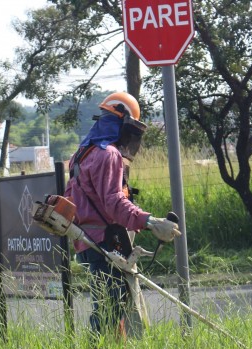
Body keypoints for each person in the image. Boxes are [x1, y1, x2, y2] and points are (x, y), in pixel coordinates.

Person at [65, 92, 180, 334]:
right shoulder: (109, 154)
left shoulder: (81, 153)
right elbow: (114, 202)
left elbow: (71, 197)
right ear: (123, 123)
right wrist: (149, 221)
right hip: (107, 244)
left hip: (86, 243)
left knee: (112, 313)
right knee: (109, 313)